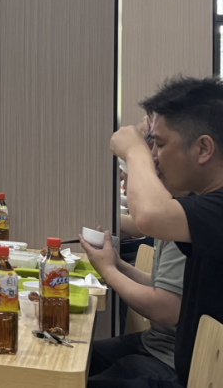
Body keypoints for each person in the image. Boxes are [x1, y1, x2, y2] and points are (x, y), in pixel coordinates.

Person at [106, 76, 223, 388]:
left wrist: (135, 152)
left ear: (203, 149)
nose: (155, 157)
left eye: (159, 144)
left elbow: (150, 217)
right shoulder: (202, 205)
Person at [80, 115, 185, 384]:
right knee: (72, 357)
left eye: (159, 144)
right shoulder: (178, 212)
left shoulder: (186, 219)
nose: (155, 157)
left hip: (172, 362)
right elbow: (164, 288)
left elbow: (166, 309)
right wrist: (117, 264)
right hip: (154, 343)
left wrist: (109, 271)